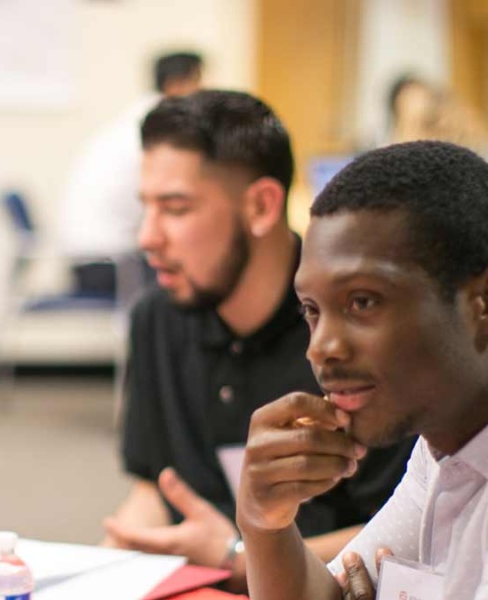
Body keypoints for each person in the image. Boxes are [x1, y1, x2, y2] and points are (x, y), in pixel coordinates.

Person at [103, 90, 414, 590]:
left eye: (175, 209)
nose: (148, 236)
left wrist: (239, 555)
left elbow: (407, 533)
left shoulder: (356, 333)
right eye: (146, 208)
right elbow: (156, 491)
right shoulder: (158, 318)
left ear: (262, 206)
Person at [236, 140, 488, 599]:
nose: (321, 348)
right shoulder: (445, 448)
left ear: (480, 306)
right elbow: (328, 592)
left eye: (362, 301)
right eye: (311, 309)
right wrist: (264, 523)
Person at [58, 51, 203, 295]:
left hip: (91, 258)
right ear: (177, 85)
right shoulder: (158, 130)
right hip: (109, 265)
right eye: (199, 83)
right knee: (209, 269)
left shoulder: (133, 121)